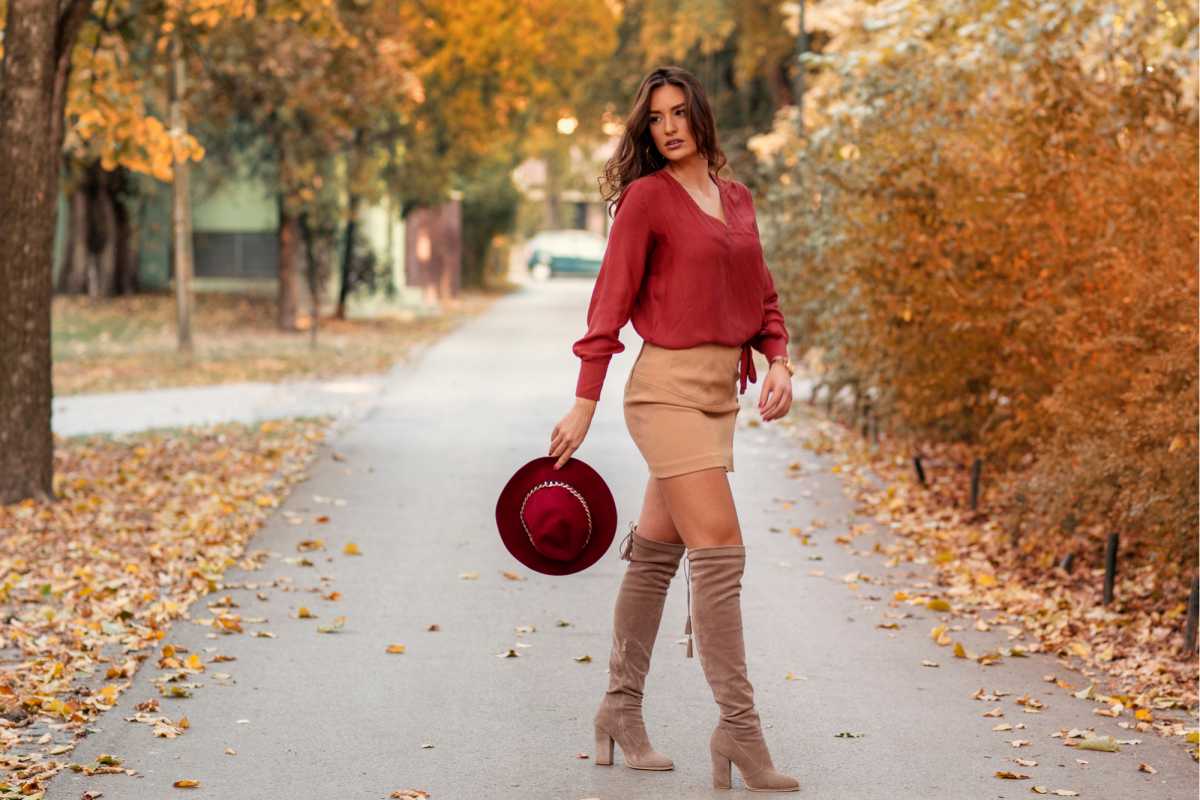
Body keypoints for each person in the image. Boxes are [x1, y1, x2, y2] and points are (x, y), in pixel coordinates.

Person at [548, 66, 801, 793]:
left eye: (680, 111)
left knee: (657, 554)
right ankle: (740, 731)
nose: (669, 125)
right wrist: (585, 402)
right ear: (646, 128)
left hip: (718, 393)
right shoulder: (646, 200)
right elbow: (608, 305)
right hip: (663, 392)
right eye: (656, 116)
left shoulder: (737, 198)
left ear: (700, 118)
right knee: (719, 546)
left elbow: (762, 296)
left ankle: (618, 711)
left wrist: (777, 359)